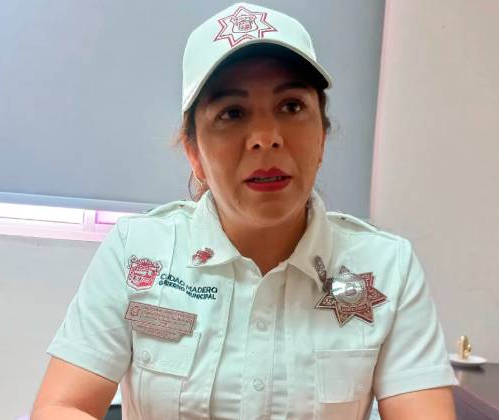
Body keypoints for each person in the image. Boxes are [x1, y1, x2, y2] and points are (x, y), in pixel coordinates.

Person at [31, 3, 456, 419]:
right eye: (231, 113)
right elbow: (61, 406)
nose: (266, 138)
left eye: (291, 106)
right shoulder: (136, 252)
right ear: (194, 153)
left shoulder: (386, 267)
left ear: (322, 137)